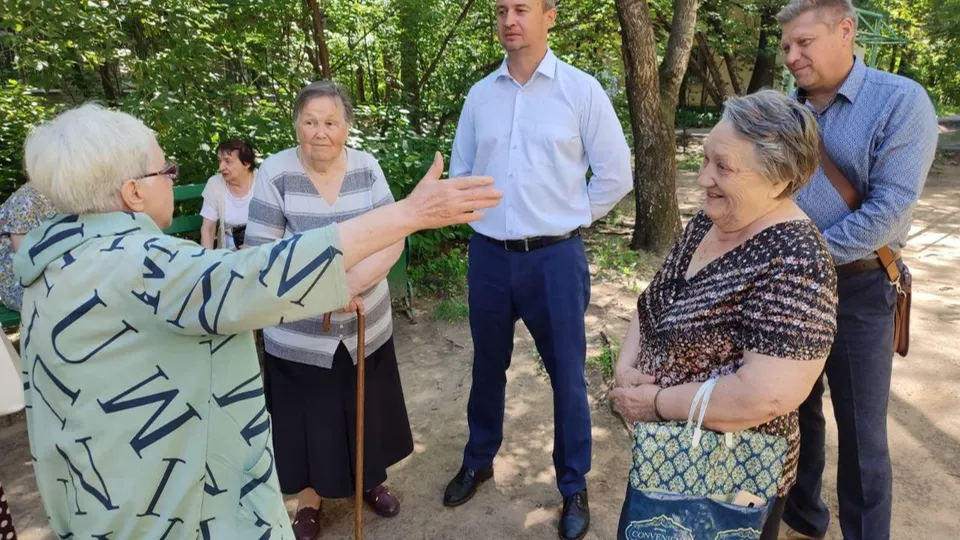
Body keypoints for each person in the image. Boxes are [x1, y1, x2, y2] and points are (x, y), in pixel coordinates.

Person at [15, 102, 500, 539]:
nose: (172, 177)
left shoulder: (53, 264)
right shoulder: (143, 266)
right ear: (133, 192)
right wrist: (411, 214)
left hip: (92, 503)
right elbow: (255, 274)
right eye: (167, 169)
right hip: (168, 512)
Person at [607, 89, 838, 540]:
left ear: (778, 178)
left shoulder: (796, 259)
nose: (703, 179)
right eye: (706, 159)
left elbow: (763, 397)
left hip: (729, 480)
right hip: (667, 457)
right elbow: (654, 300)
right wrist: (626, 366)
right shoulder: (709, 221)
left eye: (723, 166)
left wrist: (655, 403)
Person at [442, 1, 632, 538]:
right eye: (500, 9)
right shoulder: (480, 96)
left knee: (568, 375)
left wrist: (570, 218)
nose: (509, 19)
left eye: (521, 7)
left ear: (550, 15)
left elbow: (616, 174)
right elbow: (461, 174)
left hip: (555, 259)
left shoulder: (581, 90)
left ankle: (573, 485)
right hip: (489, 259)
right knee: (487, 366)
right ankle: (479, 459)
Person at [775, 2, 940, 539]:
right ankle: (804, 517)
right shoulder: (781, 109)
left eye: (804, 43)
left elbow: (889, 208)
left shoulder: (900, 100)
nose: (792, 56)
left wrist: (803, 254)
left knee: (863, 434)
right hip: (788, 285)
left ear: (845, 31)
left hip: (863, 286)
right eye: (786, 47)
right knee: (792, 412)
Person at [245, 81, 412, 540]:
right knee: (307, 416)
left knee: (366, 404)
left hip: (366, 318)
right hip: (299, 331)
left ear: (347, 126)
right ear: (296, 124)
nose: (320, 132)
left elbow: (393, 233)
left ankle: (369, 480)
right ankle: (309, 501)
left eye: (331, 122)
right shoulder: (276, 172)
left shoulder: (367, 167)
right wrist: (322, 290)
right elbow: (261, 252)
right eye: (310, 121)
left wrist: (352, 283)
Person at [0, 182, 56, 310]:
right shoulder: (23, 201)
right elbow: (25, 263)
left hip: (51, 278)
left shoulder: (58, 197)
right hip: (22, 286)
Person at [200, 138, 258, 250]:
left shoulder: (263, 181)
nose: (221, 167)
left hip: (261, 253)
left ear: (246, 163)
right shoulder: (215, 184)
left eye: (228, 161)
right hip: (228, 257)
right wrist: (207, 263)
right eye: (220, 161)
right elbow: (208, 229)